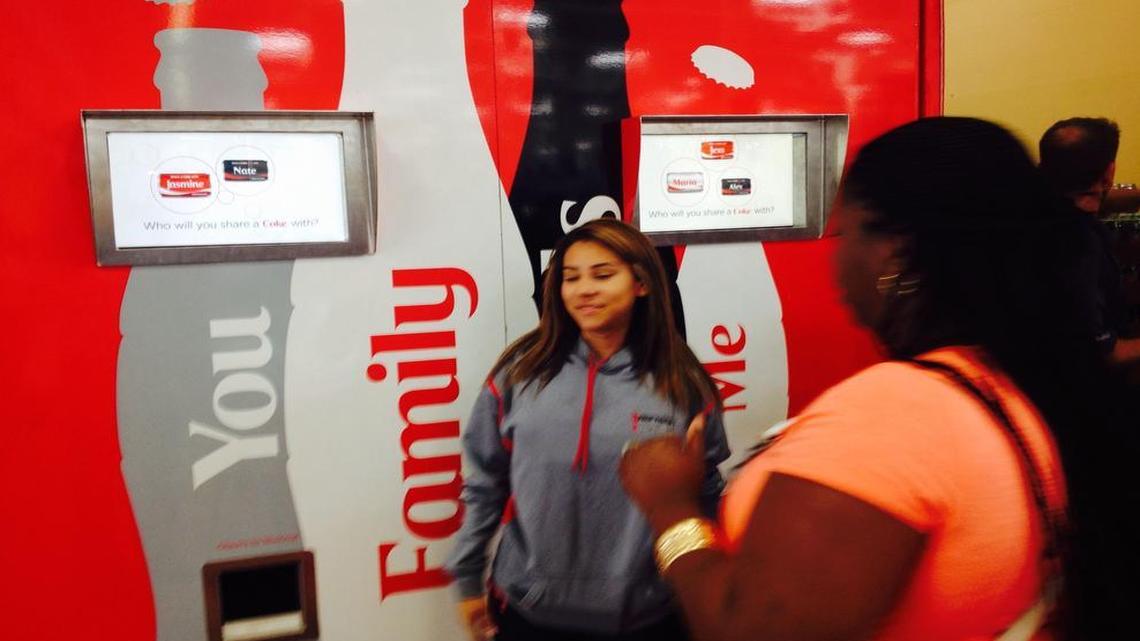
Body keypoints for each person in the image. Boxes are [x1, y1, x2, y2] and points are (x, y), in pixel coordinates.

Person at [620, 117, 1140, 641]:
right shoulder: (1004, 382)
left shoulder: (895, 413)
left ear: (894, 252)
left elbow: (747, 625)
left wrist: (670, 503)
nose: (836, 256)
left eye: (846, 232)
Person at [445, 218, 730, 641]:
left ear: (642, 284)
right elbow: (485, 483)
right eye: (570, 277)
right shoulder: (520, 373)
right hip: (529, 612)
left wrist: (706, 589)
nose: (584, 290)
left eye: (603, 275)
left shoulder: (682, 383)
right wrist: (467, 576)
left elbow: (703, 496)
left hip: (649, 618)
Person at [1038, 117, 1140, 364]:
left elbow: (1088, 196)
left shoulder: (1032, 205)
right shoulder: (1076, 246)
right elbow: (1104, 354)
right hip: (1077, 380)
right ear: (1109, 173)